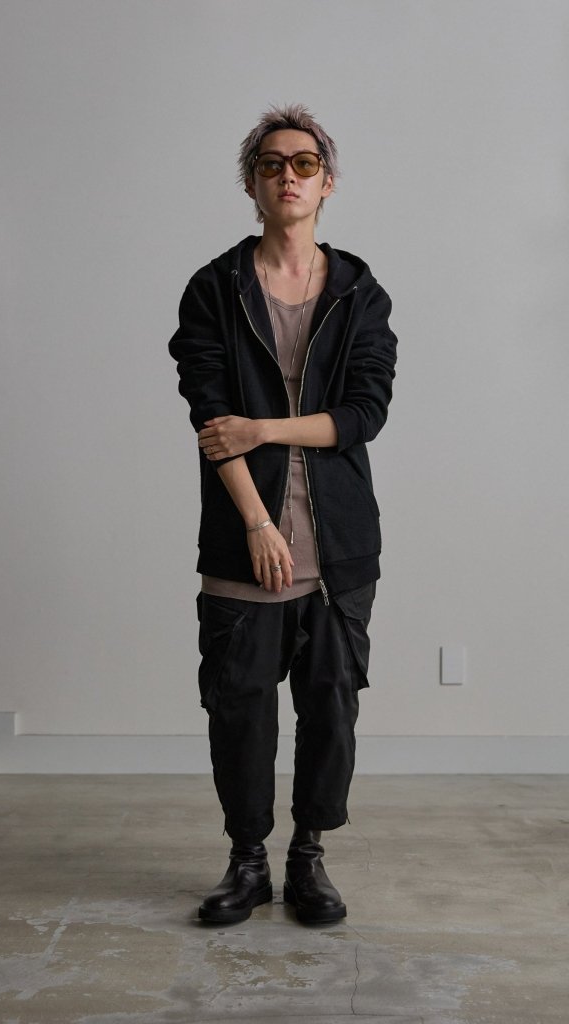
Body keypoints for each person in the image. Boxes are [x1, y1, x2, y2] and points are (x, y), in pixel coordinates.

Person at [169, 104, 397, 925]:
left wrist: (263, 428)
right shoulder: (214, 289)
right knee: (239, 711)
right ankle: (246, 862)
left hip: (339, 547)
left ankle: (309, 857)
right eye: (271, 164)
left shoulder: (360, 293)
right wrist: (258, 523)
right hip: (246, 541)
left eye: (304, 164)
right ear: (252, 184)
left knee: (331, 706)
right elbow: (210, 418)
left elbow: (363, 415)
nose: (288, 176)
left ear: (327, 183)